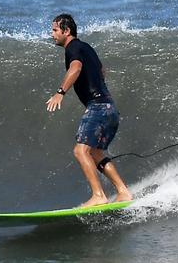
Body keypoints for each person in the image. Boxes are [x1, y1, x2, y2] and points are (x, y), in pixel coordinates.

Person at [46, 13, 133, 207]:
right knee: (95, 153)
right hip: (109, 107)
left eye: (54, 30)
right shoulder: (86, 47)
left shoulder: (72, 48)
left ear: (66, 31)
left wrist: (61, 92)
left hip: (98, 107)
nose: (52, 34)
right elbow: (102, 71)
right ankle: (123, 191)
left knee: (80, 151)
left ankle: (98, 196)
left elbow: (75, 69)